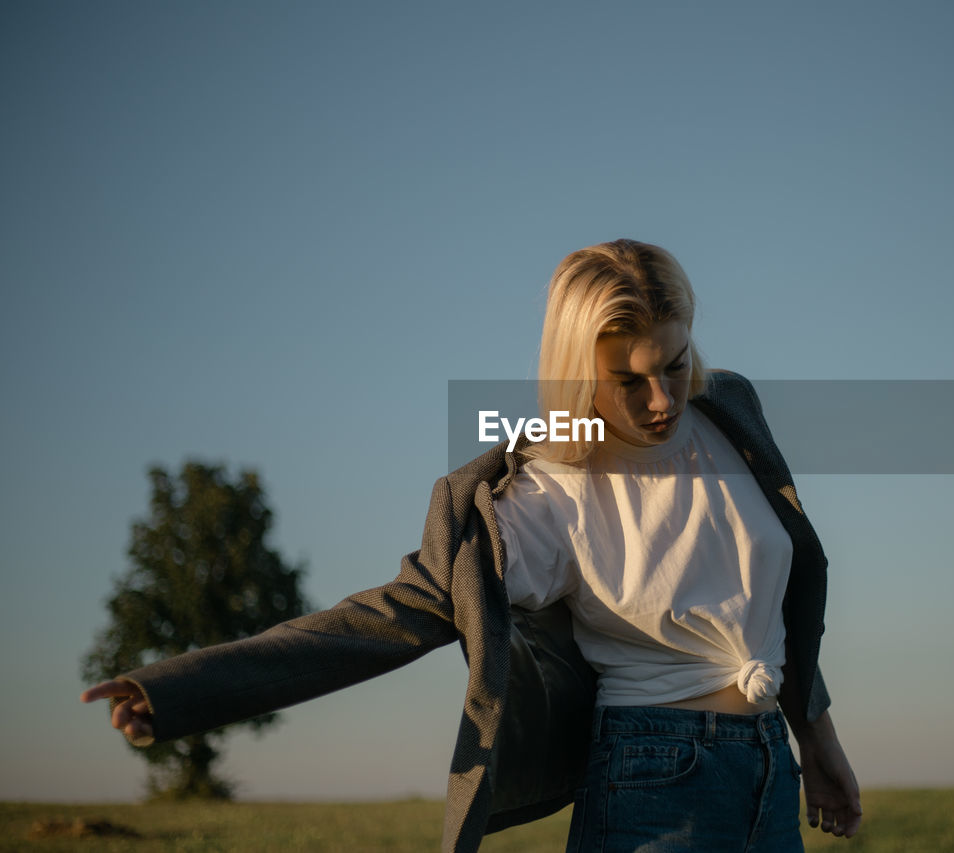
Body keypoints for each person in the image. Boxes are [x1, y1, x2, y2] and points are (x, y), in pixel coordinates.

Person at [83, 238, 862, 851]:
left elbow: (768, 605)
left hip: (767, 770)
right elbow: (399, 610)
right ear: (578, 371)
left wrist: (815, 740)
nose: (662, 400)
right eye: (629, 380)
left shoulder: (730, 410)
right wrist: (188, 688)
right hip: (656, 781)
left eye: (675, 362)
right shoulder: (547, 496)